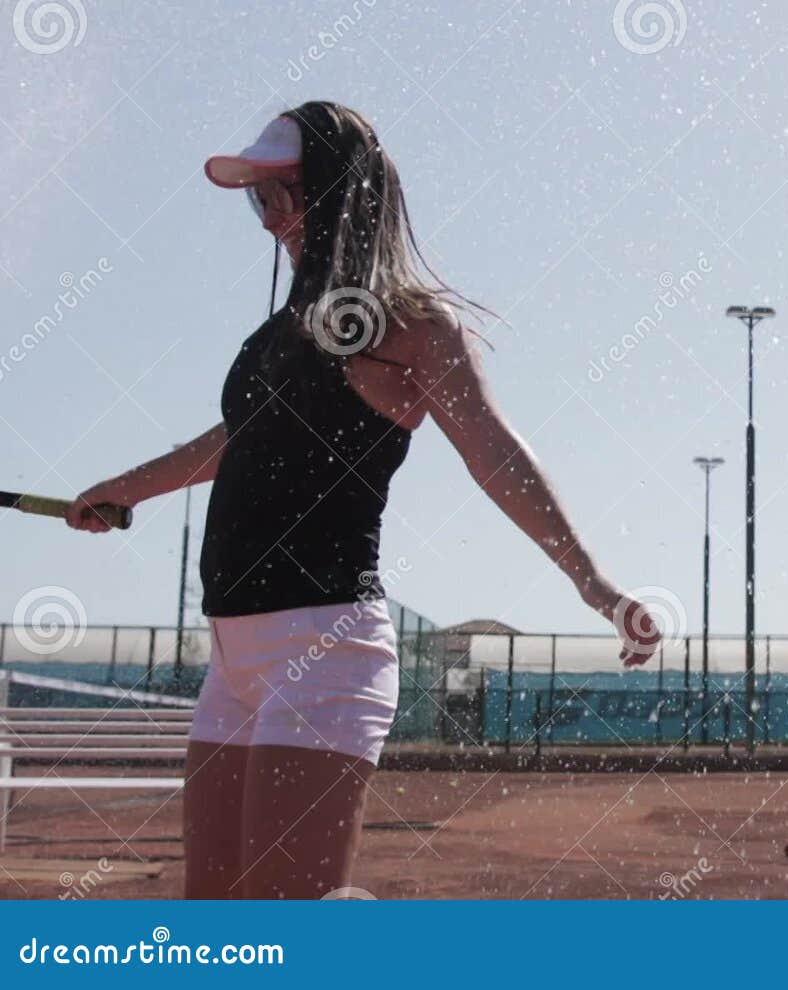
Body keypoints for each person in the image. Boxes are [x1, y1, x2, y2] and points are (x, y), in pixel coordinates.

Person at [65, 103, 660, 899]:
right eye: (258, 201)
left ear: (342, 191)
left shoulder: (407, 325)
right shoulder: (277, 334)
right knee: (216, 925)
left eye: (285, 194)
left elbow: (495, 456)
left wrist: (595, 584)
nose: (270, 218)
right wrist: (122, 488)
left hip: (323, 651)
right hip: (233, 657)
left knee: (284, 929)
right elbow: (235, 440)